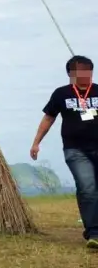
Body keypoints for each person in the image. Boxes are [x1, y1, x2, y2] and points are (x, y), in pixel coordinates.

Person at [31, 55, 98, 249]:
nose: (86, 75)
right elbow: (48, 118)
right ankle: (94, 231)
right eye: (81, 71)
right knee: (87, 186)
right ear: (71, 74)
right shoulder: (61, 94)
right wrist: (36, 142)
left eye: (89, 70)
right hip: (75, 150)